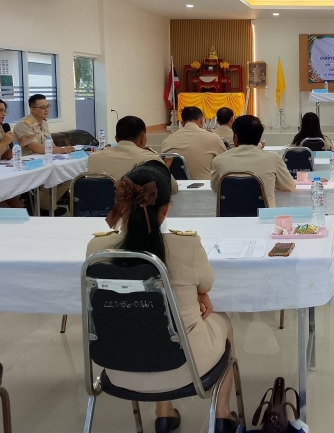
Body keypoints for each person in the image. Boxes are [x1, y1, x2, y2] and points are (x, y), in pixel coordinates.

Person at [86, 162, 238, 433]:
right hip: (185, 367)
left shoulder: (96, 249)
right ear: (166, 209)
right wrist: (199, 292)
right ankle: (223, 415)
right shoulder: (187, 245)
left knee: (146, 324)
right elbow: (207, 282)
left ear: (122, 204)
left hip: (117, 368)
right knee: (222, 321)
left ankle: (164, 414)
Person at [210, 115, 295, 208]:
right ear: (259, 138)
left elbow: (215, 188)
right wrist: (270, 183)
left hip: (230, 215)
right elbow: (289, 186)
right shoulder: (273, 158)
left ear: (235, 138)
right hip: (264, 215)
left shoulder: (219, 160)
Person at [12, 94, 74, 213]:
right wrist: (59, 150)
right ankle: (42, 208)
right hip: (28, 164)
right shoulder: (23, 124)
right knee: (56, 175)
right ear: (32, 109)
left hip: (44, 160)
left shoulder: (43, 123)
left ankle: (47, 207)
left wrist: (65, 149)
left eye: (48, 106)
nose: (46, 110)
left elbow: (50, 144)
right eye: (42, 107)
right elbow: (34, 147)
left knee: (67, 175)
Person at [87, 116, 178, 194]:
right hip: (138, 209)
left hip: (100, 209)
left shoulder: (94, 158)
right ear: (142, 138)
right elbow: (173, 189)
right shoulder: (151, 159)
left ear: (116, 139)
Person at [161, 107, 227, 180]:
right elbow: (225, 162)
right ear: (201, 120)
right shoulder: (213, 138)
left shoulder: (168, 140)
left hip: (175, 185)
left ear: (182, 123)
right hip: (205, 185)